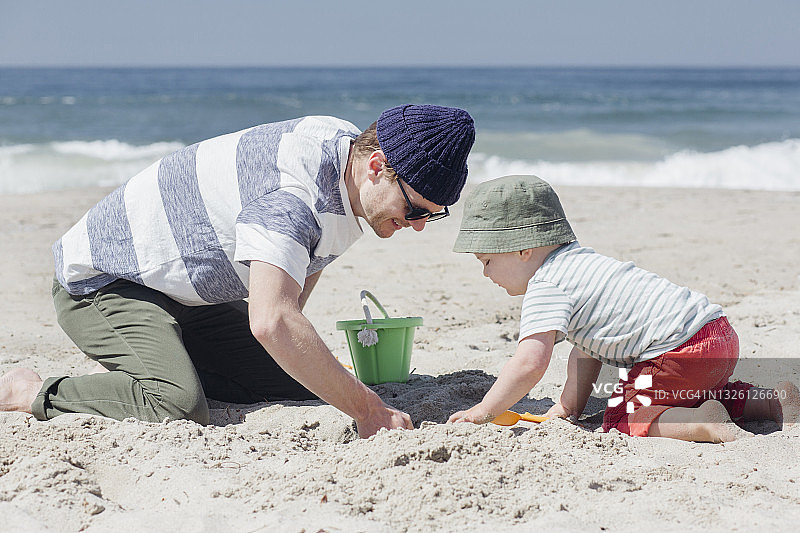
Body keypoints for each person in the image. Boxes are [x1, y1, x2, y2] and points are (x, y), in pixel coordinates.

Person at [0, 104, 475, 438]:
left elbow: (302, 269)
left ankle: (157, 363)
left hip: (181, 293)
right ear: (376, 165)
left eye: (432, 216)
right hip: (102, 283)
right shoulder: (293, 200)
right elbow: (270, 321)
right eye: (415, 209)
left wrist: (289, 351)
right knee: (178, 404)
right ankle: (30, 391)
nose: (418, 226)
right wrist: (368, 410)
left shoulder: (344, 154)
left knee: (293, 380)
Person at [447, 175, 800, 442]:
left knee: (622, 416)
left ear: (523, 249)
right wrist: (569, 407)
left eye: (487, 260)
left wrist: (483, 411)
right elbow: (586, 351)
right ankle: (772, 401)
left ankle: (703, 424)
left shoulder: (546, 285)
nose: (485, 273)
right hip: (717, 333)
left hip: (677, 351)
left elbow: (529, 364)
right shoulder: (581, 263)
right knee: (689, 392)